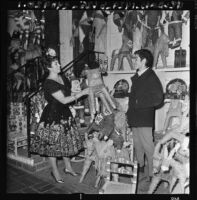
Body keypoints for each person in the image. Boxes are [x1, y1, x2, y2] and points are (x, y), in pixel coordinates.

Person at [30, 49, 89, 183]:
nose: (60, 66)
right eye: (56, 64)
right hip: (53, 117)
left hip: (65, 113)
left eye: (58, 63)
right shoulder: (49, 83)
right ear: (48, 67)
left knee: (65, 143)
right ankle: (55, 171)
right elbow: (64, 100)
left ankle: (68, 167)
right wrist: (83, 93)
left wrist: (81, 85)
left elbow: (71, 92)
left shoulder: (62, 77)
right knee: (53, 146)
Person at [126, 49, 164, 183]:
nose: (133, 61)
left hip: (144, 118)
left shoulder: (151, 76)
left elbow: (158, 98)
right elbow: (134, 97)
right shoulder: (138, 76)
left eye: (136, 59)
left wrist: (138, 102)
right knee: (138, 145)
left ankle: (152, 174)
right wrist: (129, 112)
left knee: (148, 147)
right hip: (135, 117)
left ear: (144, 61)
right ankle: (141, 169)